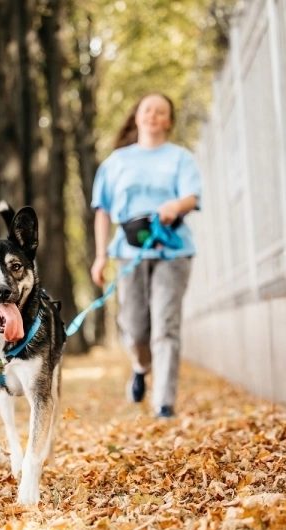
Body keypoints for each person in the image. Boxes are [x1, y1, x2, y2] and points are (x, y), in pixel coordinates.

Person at [90, 92, 201, 418]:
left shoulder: (180, 158)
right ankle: (140, 366)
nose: (153, 115)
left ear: (168, 121)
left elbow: (192, 197)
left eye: (161, 111)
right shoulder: (116, 162)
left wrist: (176, 205)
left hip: (173, 250)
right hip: (128, 252)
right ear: (137, 116)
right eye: (147, 109)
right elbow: (102, 212)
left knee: (165, 326)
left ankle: (163, 403)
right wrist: (100, 257)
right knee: (136, 328)